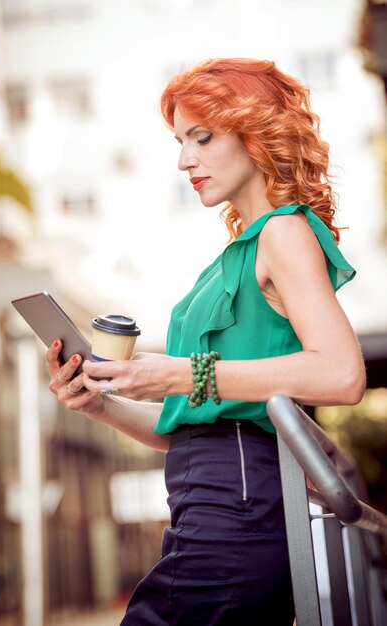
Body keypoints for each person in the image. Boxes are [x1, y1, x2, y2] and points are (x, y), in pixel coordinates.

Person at [47, 58, 366, 625]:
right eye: (179, 140)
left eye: (202, 136)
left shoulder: (284, 232)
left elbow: (342, 374)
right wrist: (102, 404)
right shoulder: (241, 251)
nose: (183, 159)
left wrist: (177, 373)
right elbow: (199, 434)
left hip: (238, 517)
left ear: (257, 133)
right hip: (209, 510)